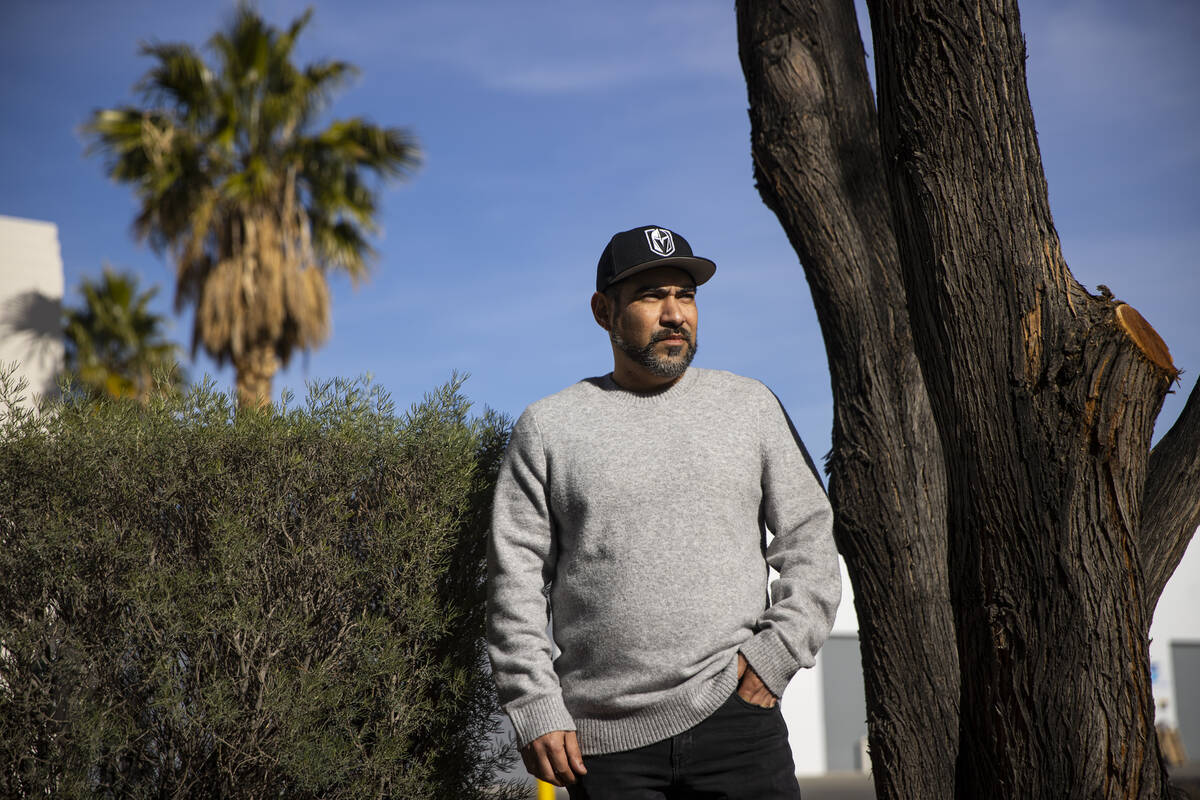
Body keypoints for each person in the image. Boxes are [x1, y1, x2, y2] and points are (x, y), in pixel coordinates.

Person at [487, 225, 840, 799]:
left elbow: (810, 535)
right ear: (604, 311)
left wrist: (777, 652)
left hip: (738, 724)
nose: (675, 314)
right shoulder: (549, 427)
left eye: (686, 295)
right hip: (602, 748)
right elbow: (515, 581)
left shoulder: (749, 406)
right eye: (652, 296)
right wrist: (534, 705)